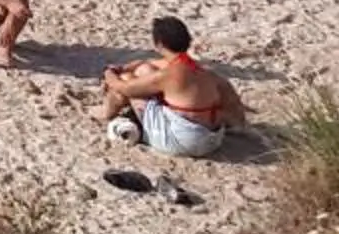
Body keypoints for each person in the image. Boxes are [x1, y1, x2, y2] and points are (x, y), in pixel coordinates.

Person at [99, 16, 242, 157]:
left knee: (126, 79)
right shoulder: (206, 74)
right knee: (145, 70)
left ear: (159, 44)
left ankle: (106, 114)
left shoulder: (168, 76)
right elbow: (235, 109)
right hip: (212, 140)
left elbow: (124, 87)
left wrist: (108, 73)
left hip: (183, 142)